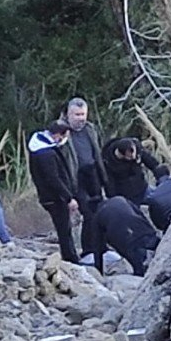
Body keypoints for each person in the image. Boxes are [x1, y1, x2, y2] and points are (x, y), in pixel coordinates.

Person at [61, 97, 108, 257]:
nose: (81, 118)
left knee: (100, 211)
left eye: (83, 114)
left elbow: (97, 150)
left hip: (93, 173)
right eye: (77, 115)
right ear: (68, 114)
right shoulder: (61, 131)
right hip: (75, 178)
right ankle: (88, 250)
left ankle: (102, 248)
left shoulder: (90, 129)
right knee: (88, 214)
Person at [28, 120, 79, 263]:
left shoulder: (41, 146)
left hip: (51, 196)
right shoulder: (46, 154)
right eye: (64, 136)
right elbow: (53, 179)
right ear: (58, 135)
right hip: (54, 197)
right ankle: (70, 259)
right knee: (64, 229)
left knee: (65, 227)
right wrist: (68, 198)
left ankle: (71, 256)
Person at [90, 196, 159, 276]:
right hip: (141, 228)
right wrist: (150, 230)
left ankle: (140, 271)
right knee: (155, 246)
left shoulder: (97, 217)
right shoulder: (119, 199)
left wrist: (98, 273)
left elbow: (97, 247)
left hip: (124, 240)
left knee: (138, 266)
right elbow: (139, 212)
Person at [102, 136, 159, 206]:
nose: (134, 157)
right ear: (121, 155)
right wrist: (115, 201)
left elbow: (151, 162)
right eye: (131, 157)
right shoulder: (108, 162)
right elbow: (109, 184)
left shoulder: (135, 147)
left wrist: (161, 176)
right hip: (127, 196)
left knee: (160, 198)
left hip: (143, 187)